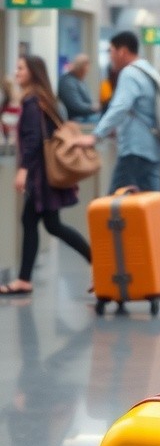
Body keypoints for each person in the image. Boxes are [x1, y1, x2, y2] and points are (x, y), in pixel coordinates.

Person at [75, 30, 160, 285]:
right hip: (150, 151)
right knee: (152, 211)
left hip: (134, 153)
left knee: (109, 209)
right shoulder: (148, 70)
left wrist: (94, 136)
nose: (110, 57)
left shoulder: (130, 73)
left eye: (111, 51)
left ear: (122, 50)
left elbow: (119, 107)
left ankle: (106, 277)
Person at [0, 55, 91, 297]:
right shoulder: (44, 100)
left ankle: (24, 279)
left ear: (33, 72)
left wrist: (23, 170)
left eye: (21, 68)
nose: (16, 72)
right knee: (46, 224)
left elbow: (32, 141)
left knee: (44, 224)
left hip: (41, 176)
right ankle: (24, 279)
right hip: (46, 175)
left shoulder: (32, 102)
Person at [57, 53, 99, 123]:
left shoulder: (79, 81)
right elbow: (76, 106)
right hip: (75, 118)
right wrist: (93, 107)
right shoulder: (67, 82)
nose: (87, 71)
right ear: (81, 68)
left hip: (85, 116)